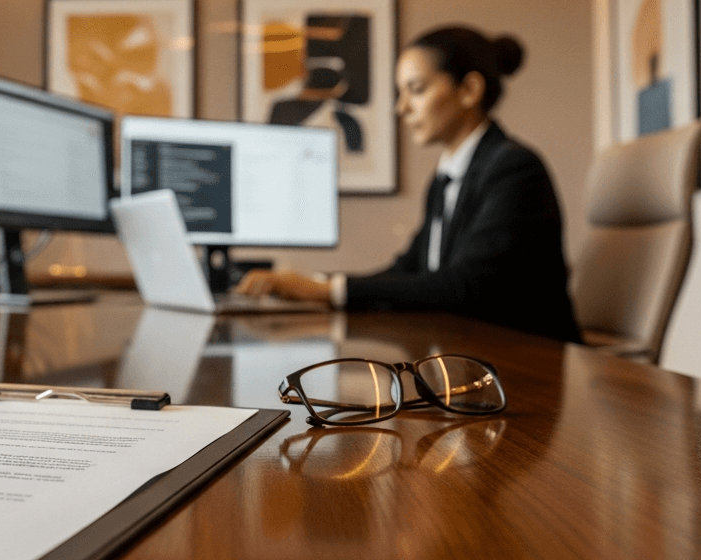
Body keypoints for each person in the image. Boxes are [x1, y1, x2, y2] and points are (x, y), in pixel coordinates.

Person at [235, 25, 581, 343]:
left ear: (470, 89)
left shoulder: (514, 170)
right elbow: (408, 270)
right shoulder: (447, 176)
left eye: (415, 90)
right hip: (468, 354)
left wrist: (327, 292)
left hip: (528, 364)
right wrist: (319, 284)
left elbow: (466, 285)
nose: (402, 109)